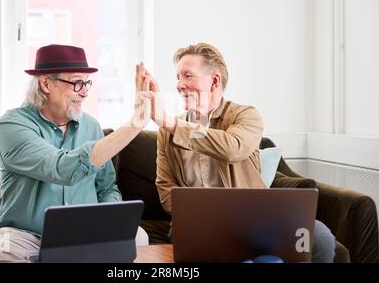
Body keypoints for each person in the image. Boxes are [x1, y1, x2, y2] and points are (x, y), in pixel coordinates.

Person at [139, 43, 336, 263]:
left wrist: (172, 124)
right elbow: (165, 188)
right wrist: (199, 215)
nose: (179, 84)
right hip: (198, 225)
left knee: (320, 238)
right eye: (177, 77)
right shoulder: (168, 133)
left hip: (256, 219)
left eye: (187, 76)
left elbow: (232, 148)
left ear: (214, 80)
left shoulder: (246, 116)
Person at [0, 44, 151, 262]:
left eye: (86, 83)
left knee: (138, 236)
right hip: (27, 237)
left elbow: (106, 187)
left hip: (86, 235)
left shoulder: (91, 126)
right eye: (77, 82)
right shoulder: (12, 125)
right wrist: (134, 124)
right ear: (46, 84)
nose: (85, 91)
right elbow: (61, 168)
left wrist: (110, 221)